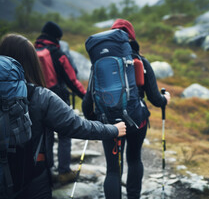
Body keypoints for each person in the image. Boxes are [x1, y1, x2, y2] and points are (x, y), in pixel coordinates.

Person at [0, 33, 127, 199]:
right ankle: (64, 172)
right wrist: (113, 130)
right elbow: (77, 126)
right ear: (32, 61)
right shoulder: (40, 97)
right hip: (33, 177)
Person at [82, 19, 171, 199]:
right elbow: (155, 98)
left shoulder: (98, 66)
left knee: (113, 170)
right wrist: (165, 99)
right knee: (134, 159)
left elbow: (86, 103)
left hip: (109, 124)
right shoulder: (140, 61)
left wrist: (98, 120)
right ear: (130, 37)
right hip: (136, 121)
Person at [34, 21, 87, 184]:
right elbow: (72, 80)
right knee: (64, 135)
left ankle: (47, 172)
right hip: (58, 100)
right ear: (56, 37)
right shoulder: (58, 54)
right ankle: (64, 172)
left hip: (37, 100)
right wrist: (86, 97)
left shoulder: (32, 51)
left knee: (46, 136)